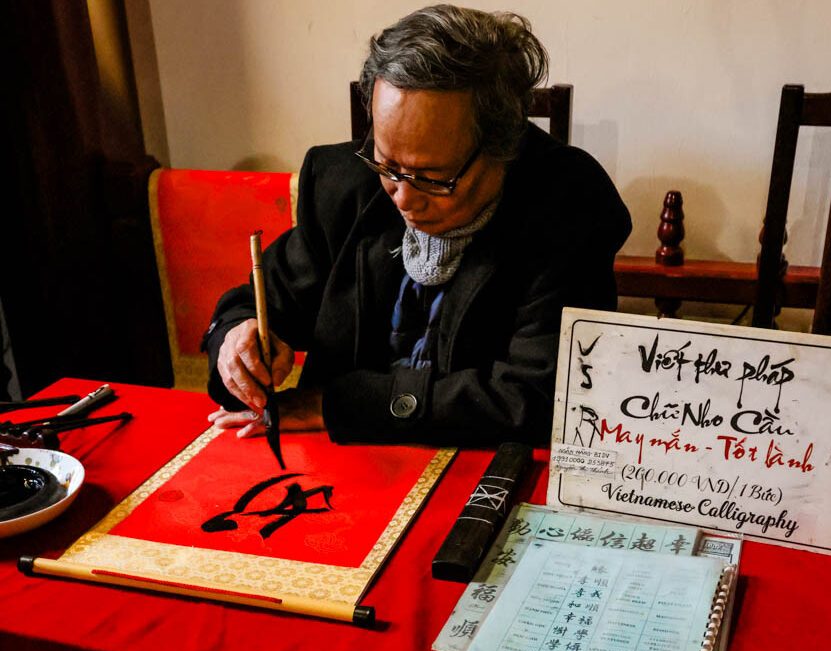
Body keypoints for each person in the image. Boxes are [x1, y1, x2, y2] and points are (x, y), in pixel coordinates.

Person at [205, 4, 631, 446]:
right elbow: (257, 304)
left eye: (432, 177)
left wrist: (342, 405)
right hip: (337, 461)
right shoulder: (344, 183)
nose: (402, 197)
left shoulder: (568, 205)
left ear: (502, 144)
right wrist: (240, 342)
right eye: (387, 164)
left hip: (477, 467)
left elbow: (536, 399)